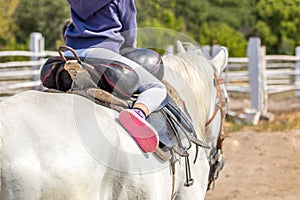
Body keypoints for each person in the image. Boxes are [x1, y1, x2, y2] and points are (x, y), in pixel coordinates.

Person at [64, 0, 167, 153]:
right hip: (103, 54)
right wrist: (128, 51)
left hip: (69, 54)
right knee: (157, 88)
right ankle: (137, 113)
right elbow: (129, 32)